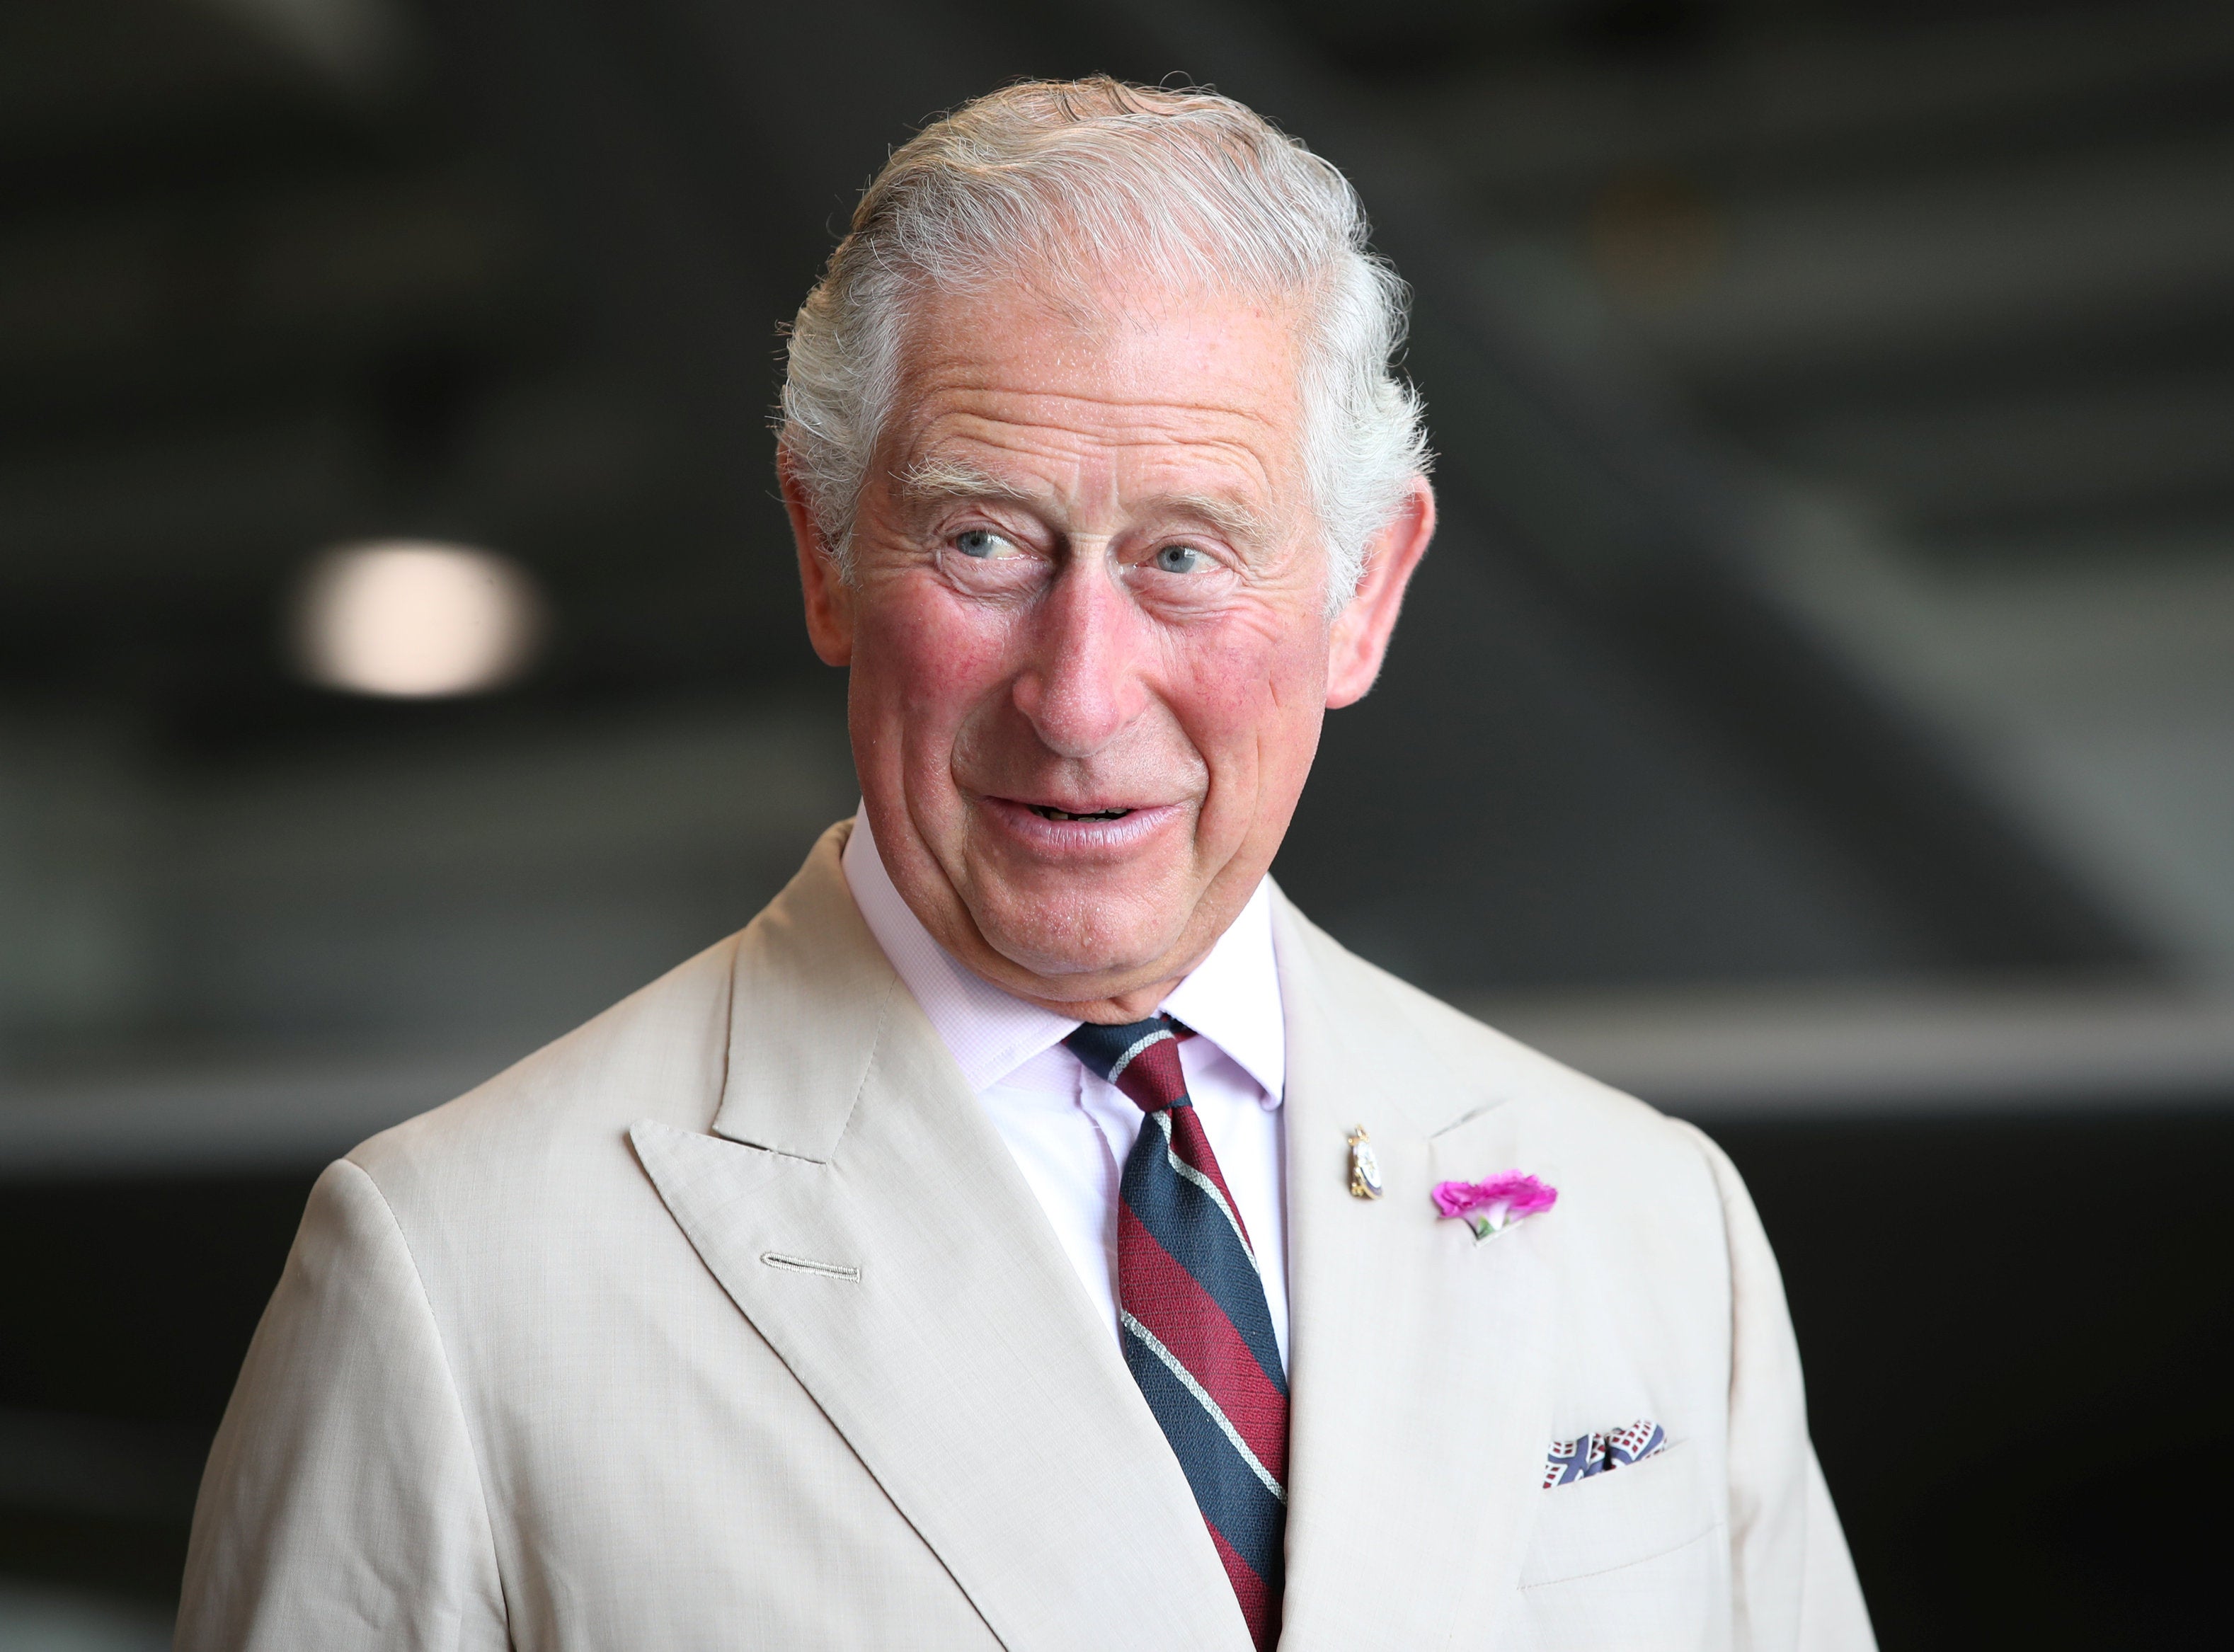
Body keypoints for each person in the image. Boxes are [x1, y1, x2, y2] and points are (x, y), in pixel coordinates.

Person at [177, 79, 1874, 1652]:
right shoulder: (452, 1280)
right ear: (825, 556)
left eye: (1185, 555)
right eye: (984, 539)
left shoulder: (1657, 1230)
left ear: (1366, 592)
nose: (1077, 696)